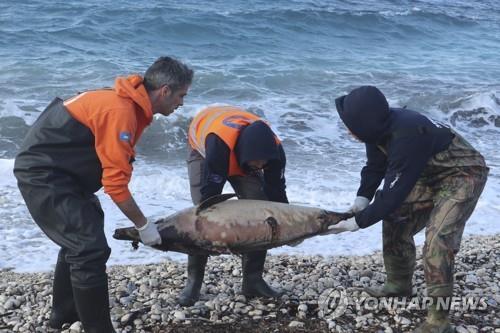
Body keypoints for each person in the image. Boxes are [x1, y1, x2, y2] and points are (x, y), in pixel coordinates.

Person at [13, 57, 193, 332]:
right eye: (181, 95)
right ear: (164, 90)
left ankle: (63, 316)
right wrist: (144, 226)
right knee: (89, 248)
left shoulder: (130, 106)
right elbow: (115, 185)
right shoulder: (121, 110)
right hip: (44, 173)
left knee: (82, 236)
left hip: (68, 173)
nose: (181, 103)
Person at [328, 86, 488, 333]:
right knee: (396, 217)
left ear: (364, 123)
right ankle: (398, 284)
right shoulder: (377, 128)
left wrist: (357, 222)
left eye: (351, 125)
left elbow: (393, 193)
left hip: (463, 174)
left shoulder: (407, 134)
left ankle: (438, 321)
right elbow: (374, 167)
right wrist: (362, 198)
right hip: (424, 173)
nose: (348, 130)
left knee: (438, 241)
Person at [179, 105, 288, 306]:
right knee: (204, 217)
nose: (260, 168)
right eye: (257, 164)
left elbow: (277, 194)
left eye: (263, 165)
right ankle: (194, 281)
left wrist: (288, 227)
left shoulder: (274, 153)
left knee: (261, 212)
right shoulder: (219, 146)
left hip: (242, 152)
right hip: (205, 149)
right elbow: (209, 197)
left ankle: (252, 280)